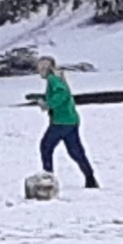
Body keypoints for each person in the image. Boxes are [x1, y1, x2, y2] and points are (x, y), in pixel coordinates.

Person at [35, 56, 99, 189]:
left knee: (46, 146)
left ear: (50, 67)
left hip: (61, 121)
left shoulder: (53, 79)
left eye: (44, 67)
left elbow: (62, 94)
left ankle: (48, 180)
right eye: (40, 66)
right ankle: (90, 178)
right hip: (71, 120)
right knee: (75, 151)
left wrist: (48, 104)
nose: (41, 69)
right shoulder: (57, 78)